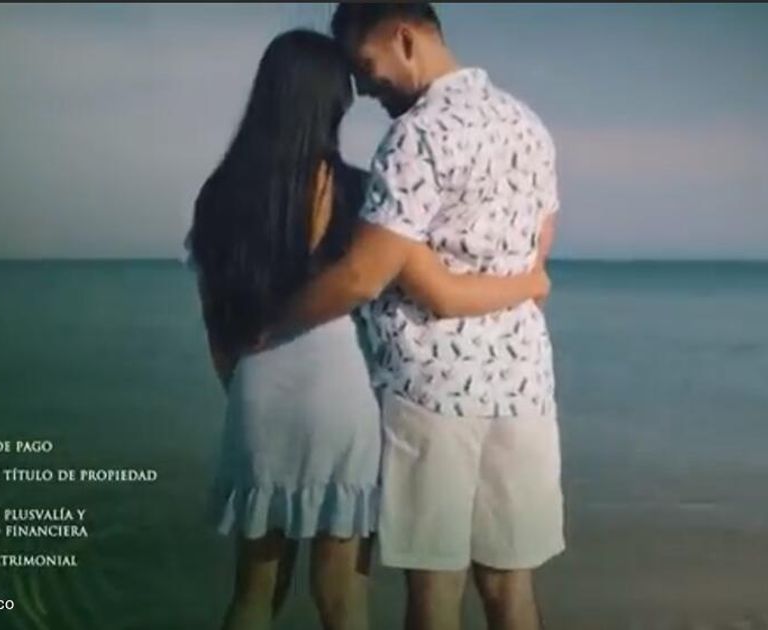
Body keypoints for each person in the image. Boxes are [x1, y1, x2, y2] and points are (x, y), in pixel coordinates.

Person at [185, 29, 549, 630]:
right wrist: (526, 282)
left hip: (258, 389)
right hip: (344, 394)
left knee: (255, 591)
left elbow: (216, 321)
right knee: (343, 598)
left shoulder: (220, 195)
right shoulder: (359, 191)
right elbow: (391, 280)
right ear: (334, 102)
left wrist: (242, 383)